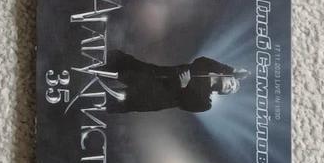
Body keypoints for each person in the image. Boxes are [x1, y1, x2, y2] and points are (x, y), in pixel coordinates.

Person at [106, 51, 249, 113]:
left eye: (231, 90)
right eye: (232, 83)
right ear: (225, 74)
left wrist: (184, 86)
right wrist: (234, 71)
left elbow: (186, 105)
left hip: (152, 98)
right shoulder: (204, 68)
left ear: (224, 93)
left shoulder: (206, 103)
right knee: (116, 64)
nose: (230, 87)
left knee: (109, 100)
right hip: (150, 75)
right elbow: (201, 60)